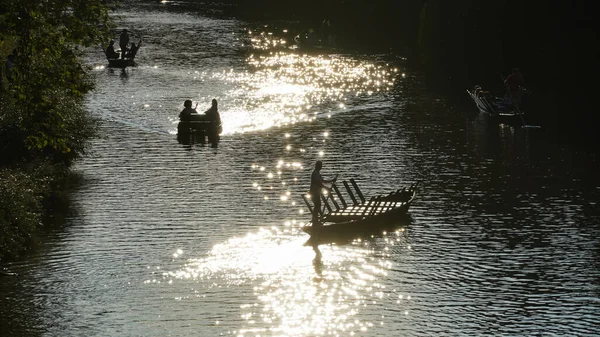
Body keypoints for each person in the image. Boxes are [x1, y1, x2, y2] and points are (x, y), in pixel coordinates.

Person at [309, 160, 336, 226]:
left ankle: (315, 220)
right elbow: (319, 184)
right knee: (317, 205)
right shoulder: (315, 173)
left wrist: (331, 181)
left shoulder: (318, 173)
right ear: (318, 166)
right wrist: (327, 188)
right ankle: (315, 221)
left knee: (318, 205)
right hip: (314, 192)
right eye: (320, 166)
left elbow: (322, 181)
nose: (321, 167)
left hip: (316, 193)